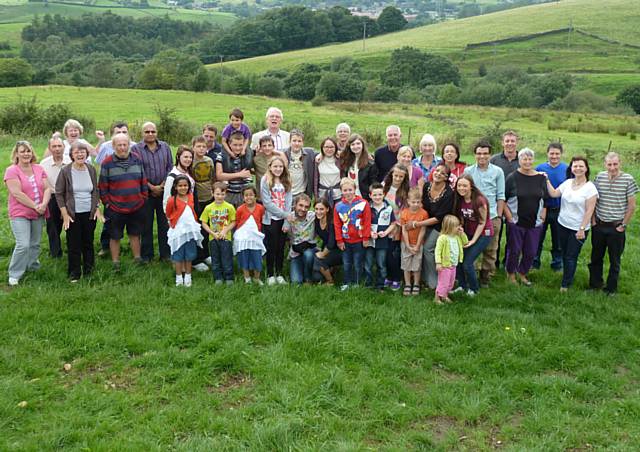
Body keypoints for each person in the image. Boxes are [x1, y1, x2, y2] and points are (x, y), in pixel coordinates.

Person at [545, 156, 598, 292]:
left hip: (578, 229)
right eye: (575, 166)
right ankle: (567, 275)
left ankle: (565, 284)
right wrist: (546, 179)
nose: (578, 168)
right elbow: (554, 193)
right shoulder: (568, 183)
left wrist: (581, 229)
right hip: (562, 224)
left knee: (571, 256)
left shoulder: (590, 188)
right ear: (571, 168)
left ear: (586, 169)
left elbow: (589, 210)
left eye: (581, 166)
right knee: (564, 253)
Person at [588, 152, 638, 295]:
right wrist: (592, 221)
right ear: (605, 164)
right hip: (599, 225)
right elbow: (594, 200)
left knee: (614, 260)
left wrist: (623, 225)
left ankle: (611, 289)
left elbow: (632, 206)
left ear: (620, 163)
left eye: (615, 164)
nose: (612, 167)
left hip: (616, 227)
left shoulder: (628, 179)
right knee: (596, 257)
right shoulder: (599, 177)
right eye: (609, 164)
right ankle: (595, 285)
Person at [4, 141, 52, 286]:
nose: (26, 154)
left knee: (35, 243)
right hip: (20, 212)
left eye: (28, 151)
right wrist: (35, 206)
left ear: (32, 153)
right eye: (22, 151)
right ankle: (15, 274)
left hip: (39, 211)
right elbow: (17, 193)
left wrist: (43, 204)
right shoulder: (12, 170)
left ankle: (32, 266)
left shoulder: (38, 168)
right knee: (23, 244)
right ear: (16, 154)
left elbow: (48, 188)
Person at [98, 133, 148, 270]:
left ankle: (137, 259)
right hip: (115, 207)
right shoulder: (107, 163)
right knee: (114, 236)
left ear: (129, 145)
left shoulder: (137, 159)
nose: (122, 147)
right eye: (119, 145)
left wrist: (143, 197)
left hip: (136, 205)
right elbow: (102, 186)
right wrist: (107, 203)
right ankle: (115, 262)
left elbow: (143, 180)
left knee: (135, 233)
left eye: (125, 144)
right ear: (114, 146)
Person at [55, 141, 104, 282]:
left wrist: (96, 208)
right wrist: (64, 215)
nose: (80, 154)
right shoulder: (65, 171)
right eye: (76, 152)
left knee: (88, 242)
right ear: (71, 155)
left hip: (89, 213)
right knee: (74, 244)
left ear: (86, 154)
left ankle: (89, 271)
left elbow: (95, 190)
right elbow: (59, 193)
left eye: (82, 152)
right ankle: (74, 273)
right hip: (72, 214)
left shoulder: (91, 169)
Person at [463, 141, 505, 287]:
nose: (482, 156)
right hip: (472, 217)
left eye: (485, 153)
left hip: (492, 215)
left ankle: (486, 277)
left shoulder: (498, 172)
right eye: (479, 153)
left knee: (491, 249)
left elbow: (500, 195)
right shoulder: (468, 171)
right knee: (471, 247)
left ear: (490, 155)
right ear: (475, 155)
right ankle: (471, 275)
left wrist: (498, 216)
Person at [504, 148, 547, 286]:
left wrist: (544, 213)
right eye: (524, 159)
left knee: (531, 251)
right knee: (514, 250)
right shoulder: (512, 177)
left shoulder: (541, 178)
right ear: (519, 160)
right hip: (516, 222)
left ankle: (522, 273)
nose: (527, 162)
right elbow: (503, 199)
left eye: (530, 159)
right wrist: (509, 217)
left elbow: (544, 198)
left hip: (535, 223)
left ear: (533, 160)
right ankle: (510, 274)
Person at [133, 121, 173, 263]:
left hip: (163, 193)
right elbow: (137, 171)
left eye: (153, 131)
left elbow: (170, 167)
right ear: (142, 133)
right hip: (145, 194)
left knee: (164, 225)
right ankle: (147, 256)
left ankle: (166, 255)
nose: (150, 134)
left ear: (156, 132)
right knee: (146, 225)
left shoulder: (165, 147)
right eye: (147, 132)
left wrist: (162, 185)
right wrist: (151, 187)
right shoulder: (136, 149)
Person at [95, 121, 134, 257]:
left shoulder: (134, 147)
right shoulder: (106, 147)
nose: (122, 134)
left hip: (130, 190)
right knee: (109, 223)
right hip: (112, 192)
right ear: (112, 134)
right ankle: (106, 246)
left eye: (124, 132)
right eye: (118, 132)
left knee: (133, 222)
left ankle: (132, 245)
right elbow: (100, 166)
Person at [453, 175, 493, 296]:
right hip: (468, 232)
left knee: (468, 263)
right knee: (459, 259)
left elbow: (482, 222)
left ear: (471, 186)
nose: (461, 188)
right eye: (459, 185)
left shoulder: (479, 200)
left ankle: (474, 289)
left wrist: (473, 241)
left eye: (465, 185)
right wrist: (460, 226)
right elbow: (463, 217)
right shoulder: (459, 199)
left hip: (483, 234)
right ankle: (462, 285)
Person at [418, 163, 455, 290]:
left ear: (446, 178)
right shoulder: (427, 186)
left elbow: (439, 218)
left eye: (442, 173)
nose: (438, 174)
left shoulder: (449, 193)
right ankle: (423, 279)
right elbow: (422, 205)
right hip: (426, 222)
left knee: (428, 249)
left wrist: (418, 224)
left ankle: (434, 283)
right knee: (422, 248)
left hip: (440, 226)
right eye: (437, 170)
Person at [533, 143, 568, 271]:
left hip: (559, 209)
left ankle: (557, 264)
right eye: (552, 153)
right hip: (541, 210)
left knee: (558, 239)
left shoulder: (567, 169)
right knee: (538, 237)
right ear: (547, 154)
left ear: (561, 154)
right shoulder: (539, 168)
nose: (554, 156)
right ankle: (534, 262)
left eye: (557, 153)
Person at [334, 177, 371, 291]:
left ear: (355, 189)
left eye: (350, 190)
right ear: (341, 191)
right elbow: (337, 224)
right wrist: (339, 240)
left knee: (358, 263)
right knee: (346, 263)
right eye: (345, 190)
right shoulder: (338, 206)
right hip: (345, 241)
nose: (348, 192)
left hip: (359, 240)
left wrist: (366, 237)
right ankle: (346, 282)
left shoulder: (363, 204)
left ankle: (356, 282)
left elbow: (367, 221)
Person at [165, 175, 203, 287]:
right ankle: (178, 277)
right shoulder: (172, 200)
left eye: (185, 185)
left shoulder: (191, 197)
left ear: (189, 186)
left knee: (189, 254)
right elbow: (168, 213)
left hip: (190, 231)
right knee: (178, 255)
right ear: (175, 187)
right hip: (178, 232)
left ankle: (188, 275)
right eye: (180, 186)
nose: (183, 188)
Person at [261, 155, 293, 285]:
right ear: (270, 167)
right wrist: (284, 215)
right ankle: (270, 274)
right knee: (271, 247)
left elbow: (289, 202)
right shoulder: (265, 180)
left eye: (280, 166)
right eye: (275, 166)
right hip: (271, 219)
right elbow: (267, 203)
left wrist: (286, 220)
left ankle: (279, 273)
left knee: (280, 247)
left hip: (283, 220)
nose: (278, 169)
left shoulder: (286, 180)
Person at [490, 130, 520, 270]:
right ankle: (493, 263)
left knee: (512, 235)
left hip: (515, 204)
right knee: (495, 235)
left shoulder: (522, 159)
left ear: (517, 142)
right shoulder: (495, 160)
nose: (509, 143)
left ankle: (508, 263)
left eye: (512, 141)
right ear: (502, 142)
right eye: (507, 141)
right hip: (496, 202)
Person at [40, 136, 70, 258]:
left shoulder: (70, 161)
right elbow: (43, 184)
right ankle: (55, 253)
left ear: (64, 147)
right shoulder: (44, 164)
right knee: (53, 226)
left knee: (71, 224)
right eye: (54, 146)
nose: (57, 149)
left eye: (59, 146)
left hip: (69, 197)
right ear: (49, 148)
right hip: (52, 197)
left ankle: (73, 248)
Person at [200, 182, 236, 285]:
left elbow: (234, 221)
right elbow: (204, 222)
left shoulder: (229, 207)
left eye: (222, 194)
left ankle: (229, 277)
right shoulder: (208, 208)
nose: (220, 196)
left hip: (226, 238)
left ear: (226, 194)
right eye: (217, 194)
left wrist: (225, 231)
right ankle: (218, 277)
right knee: (215, 259)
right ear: (212, 193)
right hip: (213, 238)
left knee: (227, 258)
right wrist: (212, 233)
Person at [383, 164, 410, 291]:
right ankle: (388, 276)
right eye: (396, 175)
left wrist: (398, 227)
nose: (398, 179)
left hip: (397, 227)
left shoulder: (405, 192)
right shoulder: (384, 187)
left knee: (394, 254)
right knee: (386, 253)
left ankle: (396, 278)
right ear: (391, 175)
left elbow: (404, 212)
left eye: (401, 177)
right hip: (384, 225)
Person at [191, 135, 216, 271]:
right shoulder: (191, 161)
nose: (201, 149)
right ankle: (196, 259)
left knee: (207, 229)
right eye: (198, 146)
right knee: (197, 229)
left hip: (208, 198)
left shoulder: (209, 161)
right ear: (193, 147)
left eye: (203, 146)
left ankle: (206, 254)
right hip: (196, 200)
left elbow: (212, 178)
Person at [364, 183, 396, 291]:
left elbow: (393, 223)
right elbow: (363, 223)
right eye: (375, 195)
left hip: (382, 242)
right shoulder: (367, 207)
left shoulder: (388, 208)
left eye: (380, 194)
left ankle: (380, 285)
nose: (377, 197)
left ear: (384, 194)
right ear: (370, 195)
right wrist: (369, 232)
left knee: (381, 264)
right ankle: (368, 284)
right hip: (369, 241)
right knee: (368, 264)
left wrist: (386, 232)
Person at [233, 186, 266, 285]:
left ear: (255, 196)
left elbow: (261, 220)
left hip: (255, 237)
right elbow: (238, 222)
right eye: (246, 195)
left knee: (257, 257)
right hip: (243, 237)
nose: (249, 197)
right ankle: (247, 277)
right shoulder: (240, 209)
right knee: (244, 256)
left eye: (251, 195)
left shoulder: (260, 208)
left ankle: (256, 277)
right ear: (243, 197)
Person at [400, 187, 429, 296]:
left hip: (418, 243)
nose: (415, 204)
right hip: (406, 243)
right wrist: (407, 245)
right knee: (406, 265)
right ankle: (407, 284)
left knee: (417, 265)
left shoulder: (424, 213)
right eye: (413, 202)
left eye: (418, 202)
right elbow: (404, 230)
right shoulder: (404, 213)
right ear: (408, 201)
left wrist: (417, 245)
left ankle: (416, 284)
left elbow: (423, 230)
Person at [434, 215, 468, 304]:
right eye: (456, 226)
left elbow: (465, 242)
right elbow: (437, 251)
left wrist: (462, 234)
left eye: (459, 225)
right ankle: (437, 298)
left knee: (450, 282)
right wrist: (438, 263)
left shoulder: (457, 237)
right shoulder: (442, 238)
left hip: (453, 264)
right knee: (443, 282)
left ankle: (444, 295)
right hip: (445, 265)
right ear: (449, 227)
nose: (459, 228)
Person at [283, 194, 316, 284]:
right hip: (295, 253)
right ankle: (300, 270)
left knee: (308, 255)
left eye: (306, 207)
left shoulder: (313, 217)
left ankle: (308, 278)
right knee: (296, 281)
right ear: (295, 205)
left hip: (310, 249)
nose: (303, 209)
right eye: (300, 205)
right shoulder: (289, 217)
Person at [216, 131, 254, 208]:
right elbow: (219, 175)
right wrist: (240, 174)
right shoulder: (221, 156)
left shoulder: (249, 154)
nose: (238, 148)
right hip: (230, 192)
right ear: (229, 144)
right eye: (235, 145)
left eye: (240, 145)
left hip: (245, 193)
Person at [340, 134, 377, 201]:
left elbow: (373, 183)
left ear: (362, 145)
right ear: (349, 146)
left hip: (363, 197)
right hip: (349, 197)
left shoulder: (370, 163)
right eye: (353, 144)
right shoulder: (346, 160)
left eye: (358, 143)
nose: (355, 146)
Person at [313, 198, 341, 285]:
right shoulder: (317, 221)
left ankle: (330, 281)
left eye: (321, 209)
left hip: (339, 249)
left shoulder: (332, 222)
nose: (318, 212)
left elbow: (331, 244)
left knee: (319, 260)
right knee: (316, 277)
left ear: (327, 209)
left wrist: (322, 254)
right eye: (316, 209)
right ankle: (331, 271)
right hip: (327, 247)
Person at [285, 129, 316, 199]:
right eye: (294, 141)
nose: (297, 143)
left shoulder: (309, 153)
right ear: (289, 142)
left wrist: (320, 155)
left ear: (303, 143)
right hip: (286, 193)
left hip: (302, 193)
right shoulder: (283, 154)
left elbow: (324, 152)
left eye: (299, 141)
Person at [162, 145, 195, 211]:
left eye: (190, 157)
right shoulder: (172, 176)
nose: (188, 159)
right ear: (178, 157)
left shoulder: (189, 172)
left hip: (189, 209)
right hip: (177, 212)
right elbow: (167, 200)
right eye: (185, 157)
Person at [315, 137, 342, 205]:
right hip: (322, 195)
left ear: (335, 148)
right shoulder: (317, 160)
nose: (329, 149)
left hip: (338, 195)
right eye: (326, 147)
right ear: (322, 148)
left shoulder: (340, 159)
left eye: (332, 147)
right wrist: (316, 195)